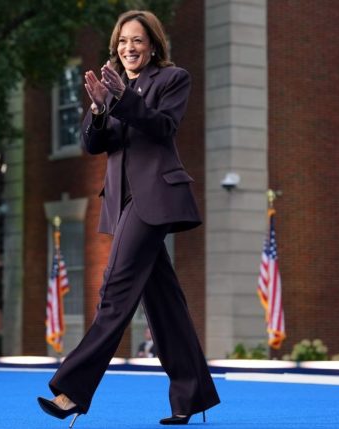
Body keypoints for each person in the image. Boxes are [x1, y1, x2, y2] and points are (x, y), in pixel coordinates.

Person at [37, 10, 220, 427]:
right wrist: (101, 109)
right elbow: (92, 143)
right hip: (121, 203)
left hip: (155, 198)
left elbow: (163, 127)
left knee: (114, 292)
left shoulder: (173, 79)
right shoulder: (111, 86)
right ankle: (192, 396)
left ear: (153, 44)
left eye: (136, 41)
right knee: (164, 302)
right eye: (122, 42)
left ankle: (73, 391)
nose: (128, 48)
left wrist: (123, 99)